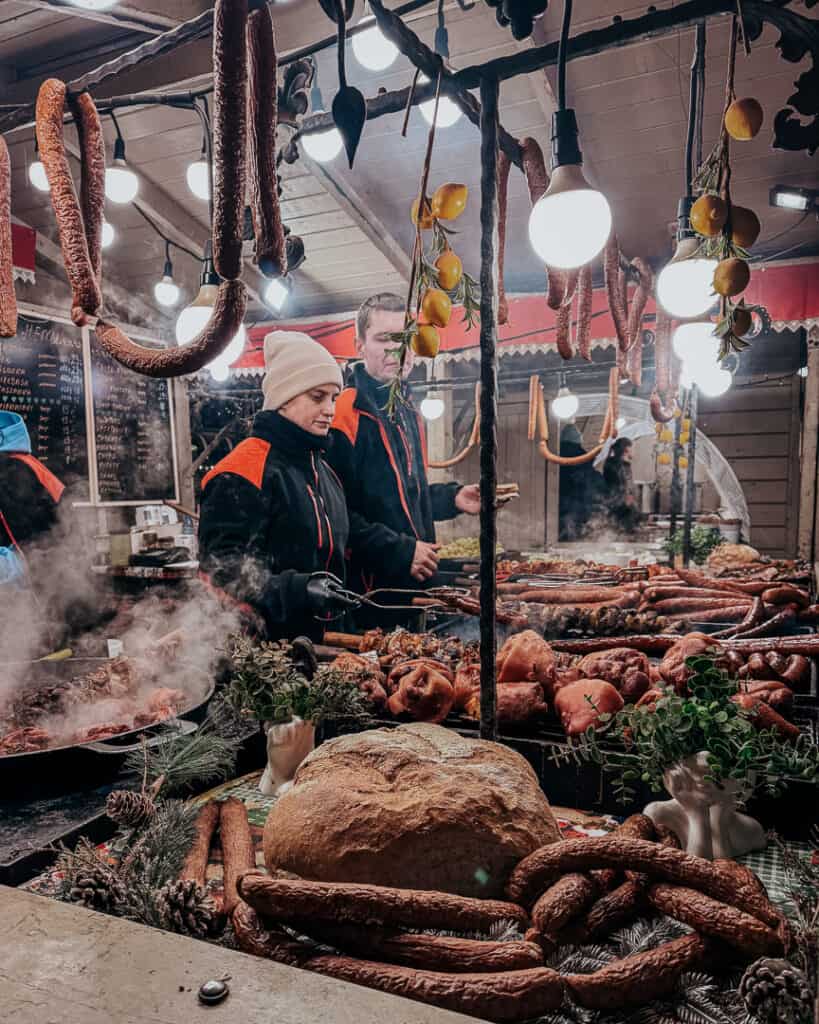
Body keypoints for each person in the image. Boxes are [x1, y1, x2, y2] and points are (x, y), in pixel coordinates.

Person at [198, 331, 356, 641]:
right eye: (317, 396)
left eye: (334, 397)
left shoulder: (325, 472)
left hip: (328, 650)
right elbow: (221, 569)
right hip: (269, 657)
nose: (330, 409)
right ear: (284, 399)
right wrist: (297, 589)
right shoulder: (241, 470)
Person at [327, 292, 480, 590]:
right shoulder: (344, 414)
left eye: (405, 338)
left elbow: (404, 499)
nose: (397, 349)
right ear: (360, 346)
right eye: (384, 339)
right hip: (369, 591)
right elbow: (332, 516)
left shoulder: (408, 411)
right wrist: (398, 550)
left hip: (415, 582)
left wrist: (452, 498)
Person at [0, 410, 64, 589]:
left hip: (44, 586)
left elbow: (30, 544)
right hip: (61, 575)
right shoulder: (29, 463)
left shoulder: (12, 471)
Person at [558, 423, 606, 540]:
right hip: (580, 515)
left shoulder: (553, 458)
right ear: (579, 441)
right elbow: (596, 487)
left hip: (556, 516)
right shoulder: (584, 460)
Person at [603, 437, 640, 535]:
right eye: (633, 448)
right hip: (621, 506)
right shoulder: (622, 465)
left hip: (610, 505)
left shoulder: (609, 462)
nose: (634, 451)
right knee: (623, 534)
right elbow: (624, 484)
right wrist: (628, 497)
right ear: (626, 449)